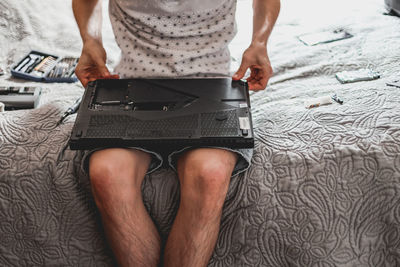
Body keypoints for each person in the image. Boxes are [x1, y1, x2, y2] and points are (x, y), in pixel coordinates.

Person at [72, 0, 280, 266]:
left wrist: (260, 42)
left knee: (210, 174)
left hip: (210, 83)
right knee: (106, 174)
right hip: (133, 84)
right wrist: (90, 40)